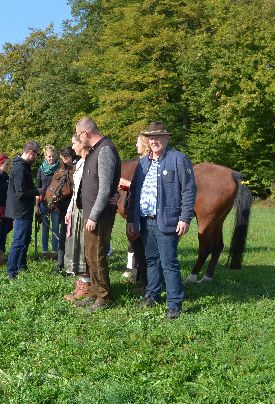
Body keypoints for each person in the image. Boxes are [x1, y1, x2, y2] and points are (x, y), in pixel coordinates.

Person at [126, 121, 197, 320]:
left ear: (166, 138)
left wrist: (185, 218)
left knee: (169, 263)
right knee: (151, 261)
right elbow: (134, 192)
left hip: (167, 221)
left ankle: (174, 305)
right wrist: (131, 218)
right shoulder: (143, 163)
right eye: (151, 137)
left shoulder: (178, 159)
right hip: (145, 221)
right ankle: (152, 295)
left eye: (158, 137)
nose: (154, 141)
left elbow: (189, 190)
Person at [73, 117, 121, 312]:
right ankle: (94, 292)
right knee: (90, 255)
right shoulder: (95, 150)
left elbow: (105, 188)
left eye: (79, 135)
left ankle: (104, 297)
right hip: (91, 212)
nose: (79, 139)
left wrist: (94, 215)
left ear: (85, 133)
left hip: (99, 215)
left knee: (97, 255)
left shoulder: (105, 150)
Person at [5, 141, 40, 279]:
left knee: (25, 239)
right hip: (20, 210)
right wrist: (37, 191)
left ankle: (22, 265)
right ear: (30, 152)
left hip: (25, 209)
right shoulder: (20, 168)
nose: (37, 157)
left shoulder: (25, 166)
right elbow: (20, 192)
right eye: (37, 154)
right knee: (19, 241)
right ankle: (11, 272)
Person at [63, 136, 92, 300]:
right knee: (75, 245)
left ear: (82, 143)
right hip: (75, 208)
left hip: (84, 209)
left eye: (74, 143)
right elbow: (75, 192)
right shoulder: (79, 163)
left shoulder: (89, 162)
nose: (72, 147)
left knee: (83, 246)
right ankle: (80, 282)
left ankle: (87, 285)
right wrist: (69, 209)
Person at [122, 134, 150, 285]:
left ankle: (145, 281)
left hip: (143, 212)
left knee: (143, 246)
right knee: (137, 245)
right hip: (136, 211)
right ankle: (139, 276)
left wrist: (127, 184)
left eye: (138, 142)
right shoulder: (141, 162)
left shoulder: (148, 163)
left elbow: (145, 188)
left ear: (145, 144)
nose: (136, 145)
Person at [53, 146, 75, 273]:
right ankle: (60, 263)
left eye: (63, 158)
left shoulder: (75, 168)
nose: (62, 160)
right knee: (63, 235)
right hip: (64, 205)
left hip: (74, 204)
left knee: (72, 236)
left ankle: (70, 264)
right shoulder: (61, 169)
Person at [36, 144, 61, 258]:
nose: (51, 158)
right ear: (45, 156)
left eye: (53, 156)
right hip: (44, 202)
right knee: (45, 227)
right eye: (49, 156)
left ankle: (55, 251)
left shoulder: (59, 168)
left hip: (56, 203)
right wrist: (37, 205)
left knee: (55, 227)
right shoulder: (41, 169)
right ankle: (44, 250)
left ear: (56, 156)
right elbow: (38, 187)